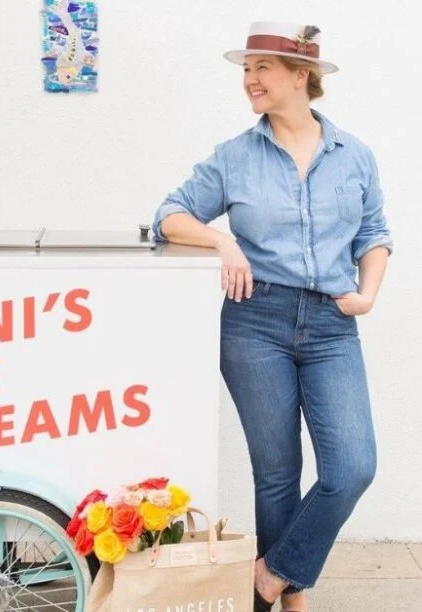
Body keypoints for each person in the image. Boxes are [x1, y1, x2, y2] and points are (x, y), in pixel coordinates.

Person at [151, 21, 393, 612]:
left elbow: (374, 233)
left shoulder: (354, 155)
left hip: (333, 323)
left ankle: (273, 574)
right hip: (254, 321)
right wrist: (221, 243)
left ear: (300, 76)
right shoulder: (234, 157)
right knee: (278, 472)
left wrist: (368, 295)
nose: (249, 79)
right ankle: (290, 602)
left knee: (353, 465)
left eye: (261, 68)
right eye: (246, 69)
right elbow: (169, 215)